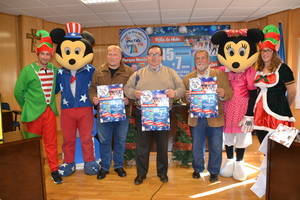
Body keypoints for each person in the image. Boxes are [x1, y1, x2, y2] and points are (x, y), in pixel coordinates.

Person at [124, 45, 185, 185]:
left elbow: (182, 88)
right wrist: (134, 93)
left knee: (162, 146)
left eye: (157, 54)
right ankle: (141, 174)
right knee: (142, 146)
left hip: (163, 114)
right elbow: (127, 89)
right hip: (143, 114)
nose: (154, 57)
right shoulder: (138, 73)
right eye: (151, 54)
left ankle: (162, 173)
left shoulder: (170, 73)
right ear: (147, 57)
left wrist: (174, 93)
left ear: (161, 57)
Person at [14, 30, 62, 184]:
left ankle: (54, 170)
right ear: (38, 54)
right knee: (31, 145)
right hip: (32, 114)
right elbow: (18, 92)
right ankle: (31, 171)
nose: (45, 57)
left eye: (48, 54)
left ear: (51, 55)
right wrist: (27, 106)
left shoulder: (55, 70)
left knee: (51, 143)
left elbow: (57, 88)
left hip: (49, 112)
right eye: (43, 54)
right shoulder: (28, 71)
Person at [183, 50, 232, 183]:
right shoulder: (188, 78)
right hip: (196, 118)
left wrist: (222, 93)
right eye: (197, 59)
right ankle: (198, 169)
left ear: (209, 60)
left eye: (203, 58)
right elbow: (184, 98)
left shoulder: (220, 74)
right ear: (195, 61)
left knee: (216, 146)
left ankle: (214, 172)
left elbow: (229, 93)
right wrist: (186, 97)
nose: (200, 61)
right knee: (197, 146)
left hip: (215, 117)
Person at [89, 45, 134, 179]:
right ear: (107, 56)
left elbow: (133, 90)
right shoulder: (98, 71)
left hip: (122, 114)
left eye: (115, 54)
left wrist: (129, 100)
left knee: (120, 140)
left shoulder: (129, 72)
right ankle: (104, 167)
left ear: (120, 57)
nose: (112, 57)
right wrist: (94, 99)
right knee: (105, 141)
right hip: (104, 113)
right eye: (110, 54)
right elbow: (92, 88)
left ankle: (119, 166)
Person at [253, 24, 296, 143]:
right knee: (265, 147)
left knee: (281, 151)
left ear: (273, 52)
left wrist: (284, 106)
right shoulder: (258, 69)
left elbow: (292, 92)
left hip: (279, 115)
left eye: (268, 51)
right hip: (260, 115)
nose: (265, 54)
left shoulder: (283, 69)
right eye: (262, 51)